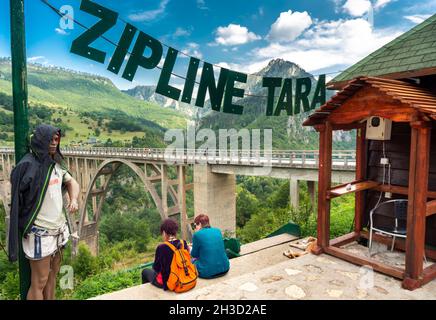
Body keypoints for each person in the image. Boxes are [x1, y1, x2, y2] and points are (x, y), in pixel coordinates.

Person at [8, 124, 80, 300]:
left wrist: (74, 199)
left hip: (58, 232)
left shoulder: (55, 165)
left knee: (52, 277)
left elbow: (72, 183)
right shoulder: (27, 166)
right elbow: (19, 199)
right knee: (39, 281)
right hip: (40, 233)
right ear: (41, 139)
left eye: (57, 139)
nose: (54, 143)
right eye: (51, 139)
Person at [142, 218, 189, 290]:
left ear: (164, 232)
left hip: (168, 282)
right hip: (183, 277)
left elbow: (156, 268)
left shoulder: (161, 247)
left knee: (145, 271)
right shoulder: (183, 243)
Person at [191, 214, 230, 279]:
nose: (194, 228)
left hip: (207, 273)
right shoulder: (218, 230)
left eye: (195, 225)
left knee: (191, 261)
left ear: (199, 224)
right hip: (225, 268)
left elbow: (194, 255)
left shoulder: (197, 235)